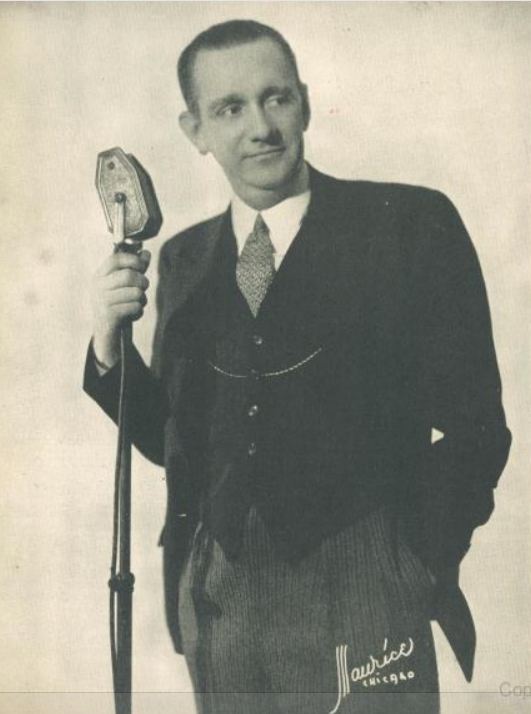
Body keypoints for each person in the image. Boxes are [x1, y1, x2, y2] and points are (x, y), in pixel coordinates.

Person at [84, 19, 512, 714]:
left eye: (275, 98)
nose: (260, 127)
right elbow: (176, 442)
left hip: (366, 591)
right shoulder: (184, 260)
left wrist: (408, 564)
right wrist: (108, 344)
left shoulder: (407, 224)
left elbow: (476, 427)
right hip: (221, 604)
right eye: (230, 108)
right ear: (195, 130)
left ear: (305, 103)